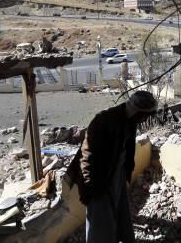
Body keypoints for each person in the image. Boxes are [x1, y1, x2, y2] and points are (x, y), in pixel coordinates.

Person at [67, 90, 158, 242]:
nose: (145, 120)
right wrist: (90, 188)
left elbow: (125, 150)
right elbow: (87, 156)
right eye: (145, 116)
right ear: (137, 111)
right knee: (100, 225)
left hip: (116, 177)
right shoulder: (104, 121)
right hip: (99, 182)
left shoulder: (131, 121)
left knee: (117, 217)